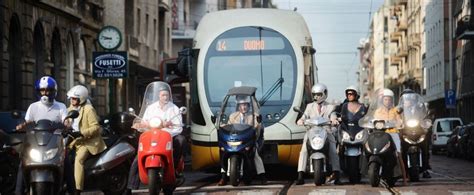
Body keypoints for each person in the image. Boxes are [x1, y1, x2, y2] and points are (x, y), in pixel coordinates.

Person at [125, 81, 186, 195]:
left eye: (167, 95)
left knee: (181, 140)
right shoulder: (151, 108)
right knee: (138, 155)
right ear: (158, 95)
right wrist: (141, 124)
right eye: (163, 95)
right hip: (152, 136)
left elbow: (179, 127)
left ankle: (176, 167)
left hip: (168, 137)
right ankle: (130, 186)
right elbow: (144, 120)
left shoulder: (174, 109)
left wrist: (170, 130)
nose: (165, 97)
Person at [15, 76, 68, 195]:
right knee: (22, 162)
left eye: (48, 90)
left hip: (55, 141)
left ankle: (73, 190)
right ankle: (18, 191)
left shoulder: (61, 106)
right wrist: (21, 126)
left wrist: (67, 123)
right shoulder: (33, 107)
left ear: (54, 91)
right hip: (36, 142)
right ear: (38, 91)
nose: (45, 93)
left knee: (67, 161)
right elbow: (28, 122)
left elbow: (66, 121)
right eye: (42, 90)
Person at [295, 83, 341, 185]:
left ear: (324, 94)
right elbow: (304, 116)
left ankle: (337, 174)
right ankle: (300, 175)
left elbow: (333, 116)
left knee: (333, 150)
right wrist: (301, 121)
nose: (316, 97)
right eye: (314, 94)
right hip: (311, 131)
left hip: (326, 131)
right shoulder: (309, 106)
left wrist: (334, 120)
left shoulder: (330, 106)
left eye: (319, 94)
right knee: (303, 150)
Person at [217, 95, 267, 186]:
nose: (243, 107)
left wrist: (258, 123)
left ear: (248, 106)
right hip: (235, 141)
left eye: (245, 105)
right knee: (226, 153)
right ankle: (223, 177)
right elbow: (228, 127)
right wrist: (221, 125)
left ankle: (262, 176)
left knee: (255, 154)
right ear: (238, 106)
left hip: (248, 141)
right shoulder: (233, 116)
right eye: (241, 105)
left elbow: (257, 127)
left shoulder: (253, 116)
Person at [66, 85, 107, 195]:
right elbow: (66, 122)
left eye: (74, 98)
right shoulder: (70, 109)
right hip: (73, 140)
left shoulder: (89, 109)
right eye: (71, 98)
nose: (72, 100)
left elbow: (96, 128)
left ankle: (77, 190)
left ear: (81, 98)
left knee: (78, 160)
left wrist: (81, 133)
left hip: (87, 141)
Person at [373, 88, 407, 184]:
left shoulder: (395, 110)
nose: (387, 101)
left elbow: (400, 121)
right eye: (385, 99)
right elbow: (374, 121)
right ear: (382, 100)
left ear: (392, 100)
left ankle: (404, 178)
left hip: (393, 133)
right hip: (382, 134)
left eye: (389, 99)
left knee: (398, 153)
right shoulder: (378, 111)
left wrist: (400, 123)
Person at [397, 89, 431, 178]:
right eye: (406, 99)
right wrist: (397, 123)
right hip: (405, 130)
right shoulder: (399, 109)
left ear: (414, 99)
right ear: (402, 100)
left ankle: (425, 169)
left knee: (425, 147)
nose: (408, 101)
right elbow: (396, 118)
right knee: (402, 149)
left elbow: (425, 116)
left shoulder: (420, 108)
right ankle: (403, 170)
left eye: (410, 99)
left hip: (419, 130)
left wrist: (426, 123)